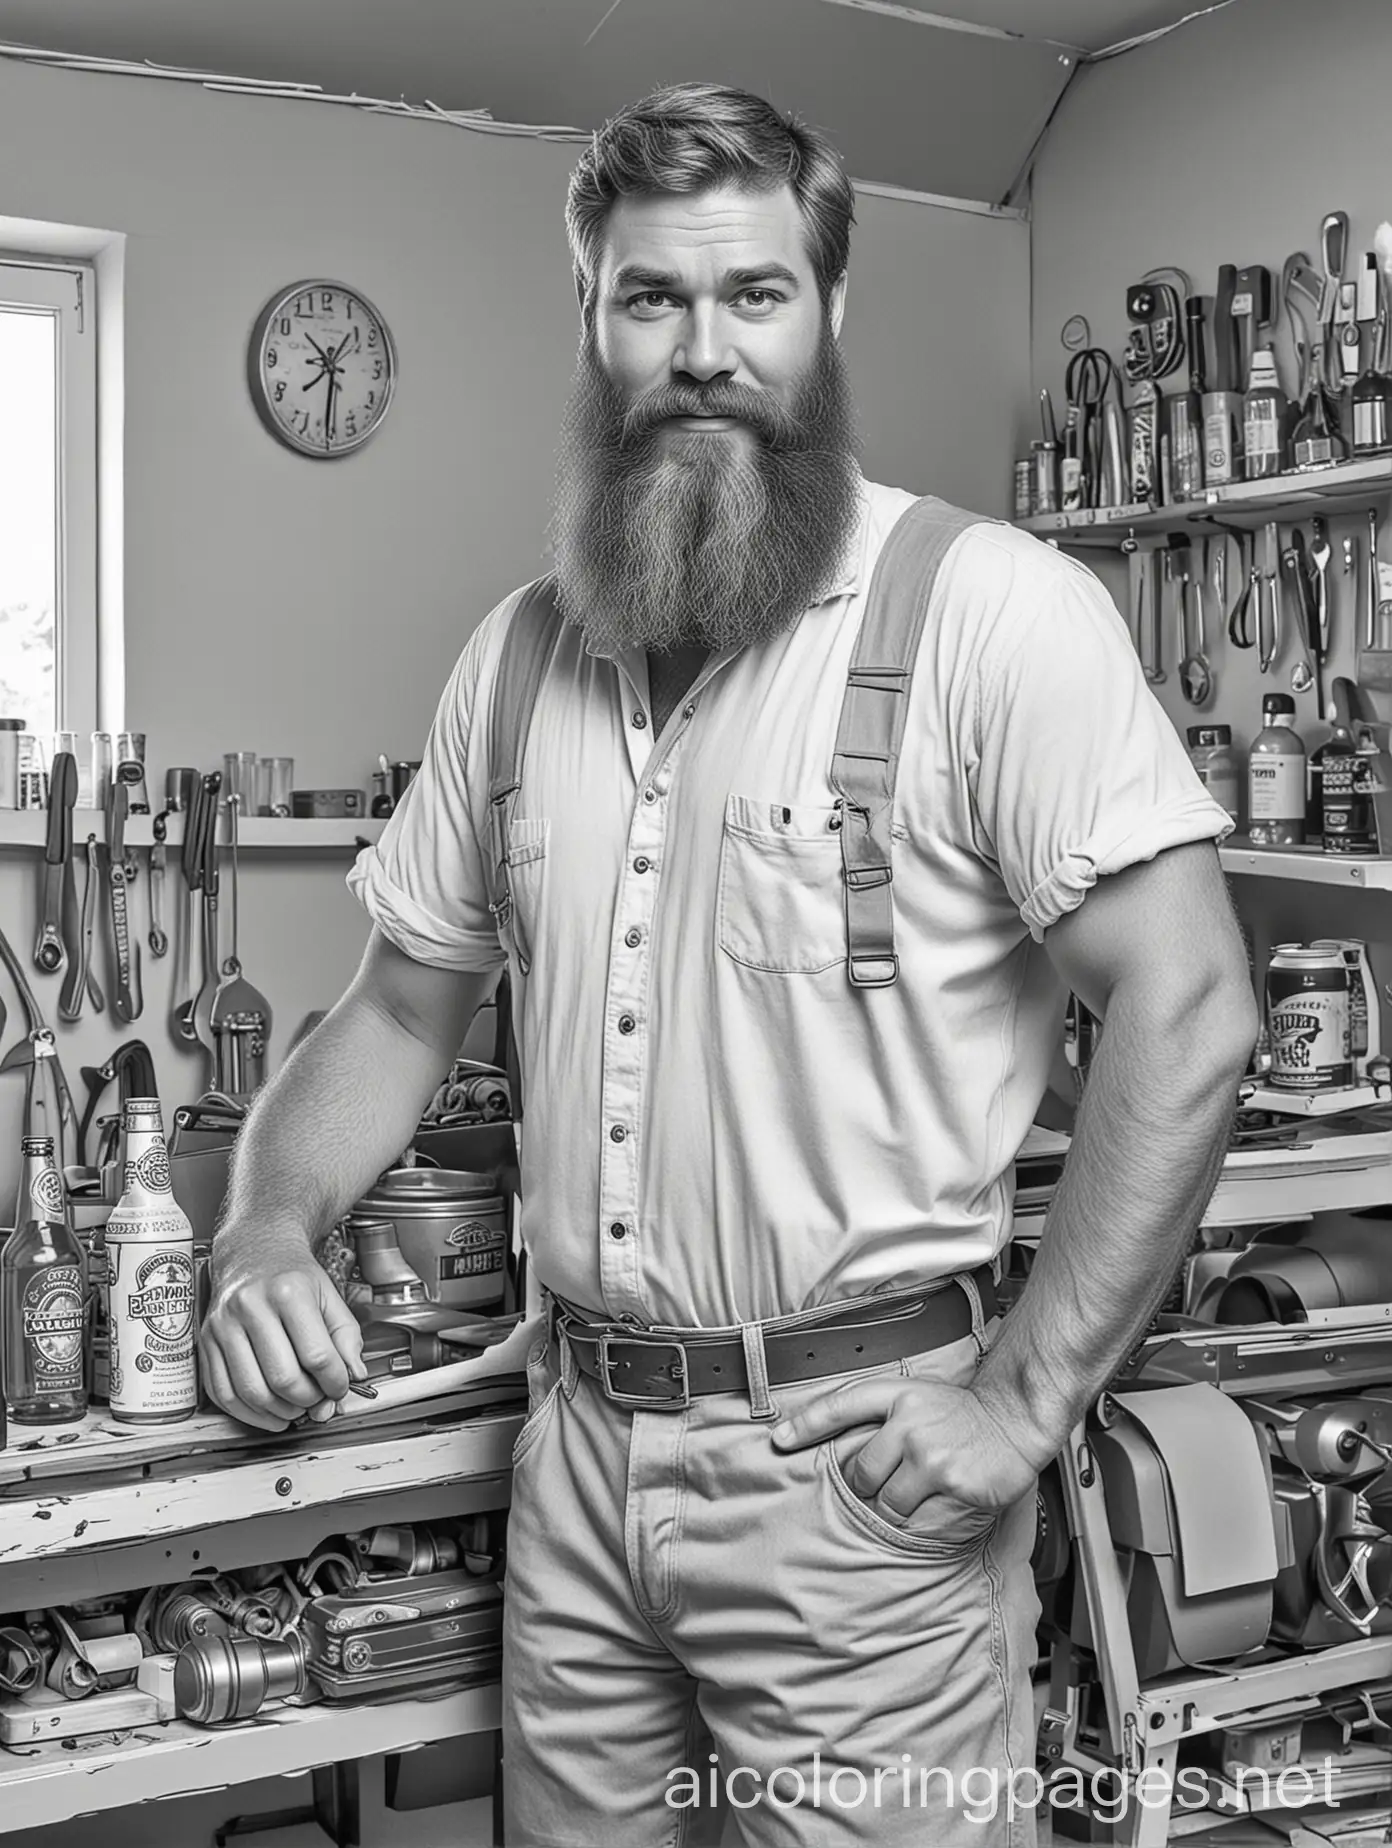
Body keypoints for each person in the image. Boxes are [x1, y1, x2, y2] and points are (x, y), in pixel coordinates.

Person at [201, 81, 1257, 1848]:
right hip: (581, 1468)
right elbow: (396, 1007)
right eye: (652, 300)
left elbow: (1195, 1001)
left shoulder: (985, 612)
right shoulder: (521, 657)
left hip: (859, 1487)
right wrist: (263, 1224)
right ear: (595, 321)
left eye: (753, 295)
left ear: (830, 313)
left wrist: (1024, 1399)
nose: (704, 350)